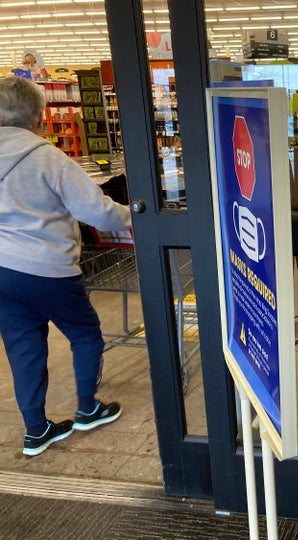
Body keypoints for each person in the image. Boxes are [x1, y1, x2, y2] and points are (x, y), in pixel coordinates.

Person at [0, 75, 131, 456]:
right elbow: (97, 212)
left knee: (23, 347)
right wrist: (133, 215)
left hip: (4, 272)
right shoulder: (48, 157)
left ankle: (36, 430)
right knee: (85, 333)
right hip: (49, 269)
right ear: (39, 116)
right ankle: (88, 408)